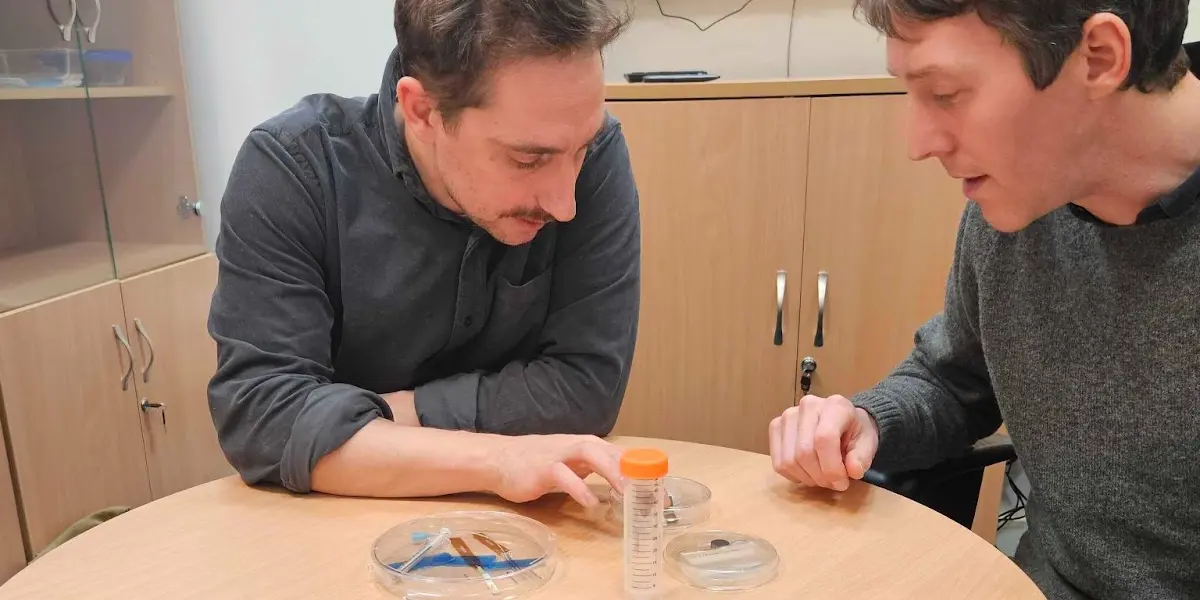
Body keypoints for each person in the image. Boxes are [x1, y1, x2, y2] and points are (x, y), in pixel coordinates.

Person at [768, 1, 1200, 598]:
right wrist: (867, 419)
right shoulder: (1021, 208)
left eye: (945, 93)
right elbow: (955, 381)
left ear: (1098, 57)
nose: (918, 143)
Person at [206, 0, 640, 509]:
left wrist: (382, 419)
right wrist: (498, 461)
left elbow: (588, 389)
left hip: (530, 528)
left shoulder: (594, 152)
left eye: (581, 149)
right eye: (528, 159)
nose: (565, 204)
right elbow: (263, 418)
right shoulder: (294, 169)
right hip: (333, 521)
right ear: (421, 111)